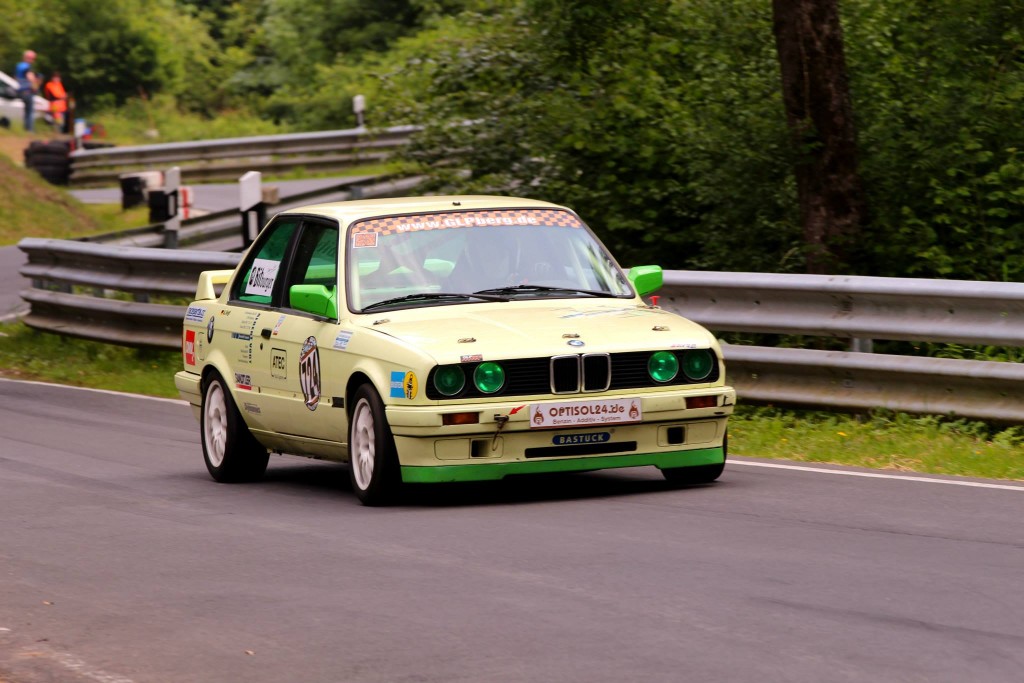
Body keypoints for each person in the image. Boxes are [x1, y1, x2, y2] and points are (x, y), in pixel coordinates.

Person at [14, 50, 40, 132]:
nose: (33, 60)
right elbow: (31, 78)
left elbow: (15, 78)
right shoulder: (27, 67)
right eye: (32, 58)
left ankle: (26, 129)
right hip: (27, 91)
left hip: (20, 90)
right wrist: (36, 83)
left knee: (26, 111)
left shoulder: (18, 66)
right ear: (28, 58)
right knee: (30, 112)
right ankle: (29, 130)